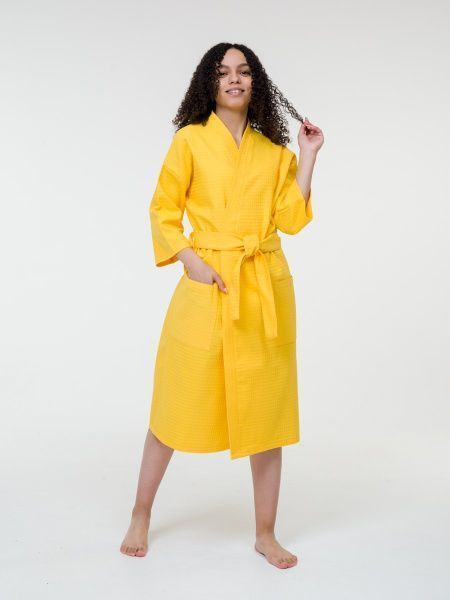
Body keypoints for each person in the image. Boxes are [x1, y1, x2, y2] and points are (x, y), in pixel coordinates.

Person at [120, 42, 324, 569]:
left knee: (267, 413)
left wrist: (307, 156)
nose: (234, 79)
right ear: (208, 84)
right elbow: (163, 209)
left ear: (256, 83)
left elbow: (291, 219)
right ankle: (141, 511)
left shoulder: (273, 152)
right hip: (208, 282)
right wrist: (188, 259)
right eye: (223, 71)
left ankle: (265, 533)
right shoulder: (190, 140)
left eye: (243, 71)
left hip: (262, 288)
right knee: (175, 402)